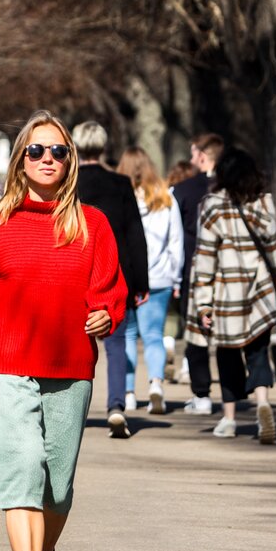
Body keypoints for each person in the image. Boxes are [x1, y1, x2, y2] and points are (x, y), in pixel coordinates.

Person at [0, 110, 127, 551]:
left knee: (58, 489)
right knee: (21, 471)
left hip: (70, 368)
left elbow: (110, 291)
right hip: (7, 368)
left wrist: (104, 316)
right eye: (37, 151)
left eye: (58, 151)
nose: (48, 159)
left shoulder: (92, 224)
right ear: (21, 159)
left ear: (71, 161)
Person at [185, 147, 276, 444]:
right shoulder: (264, 204)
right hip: (260, 292)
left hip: (226, 294)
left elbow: (205, 259)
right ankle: (264, 404)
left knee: (228, 357)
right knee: (258, 354)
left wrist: (203, 304)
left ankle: (229, 419)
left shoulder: (213, 207)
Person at [73, 121, 150, 439]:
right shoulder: (120, 183)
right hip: (115, 273)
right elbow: (135, 234)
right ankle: (116, 405)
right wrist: (140, 282)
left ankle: (69, 409)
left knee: (73, 345)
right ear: (104, 147)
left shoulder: (69, 181)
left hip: (75, 272)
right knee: (116, 345)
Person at [116, 147, 184, 414]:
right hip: (160, 276)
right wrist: (176, 276)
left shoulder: (120, 198)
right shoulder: (166, 198)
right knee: (154, 335)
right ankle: (156, 384)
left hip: (127, 277)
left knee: (128, 336)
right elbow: (175, 242)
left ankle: (129, 393)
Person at [172, 133, 225, 415]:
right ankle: (235, 394)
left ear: (203, 156)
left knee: (196, 336)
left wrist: (176, 276)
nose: (191, 161)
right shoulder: (234, 188)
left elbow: (176, 238)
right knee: (229, 336)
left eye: (194, 154)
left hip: (194, 270)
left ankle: (202, 394)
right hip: (229, 271)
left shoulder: (182, 191)